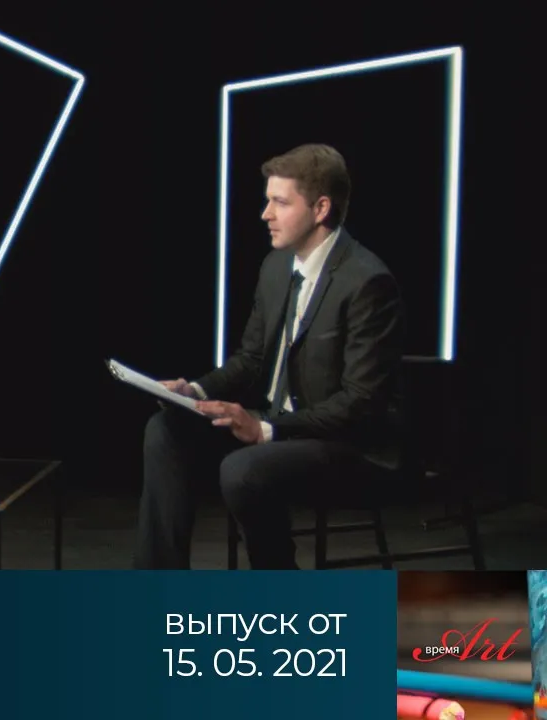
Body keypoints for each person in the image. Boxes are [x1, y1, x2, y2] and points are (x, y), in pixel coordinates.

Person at [134, 144, 406, 569]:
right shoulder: (276, 266)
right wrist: (195, 392)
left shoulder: (367, 282)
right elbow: (251, 359)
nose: (265, 214)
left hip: (347, 444)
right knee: (167, 429)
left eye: (280, 202)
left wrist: (265, 428)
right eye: (267, 201)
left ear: (320, 208)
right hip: (281, 425)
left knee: (244, 469)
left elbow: (360, 403)